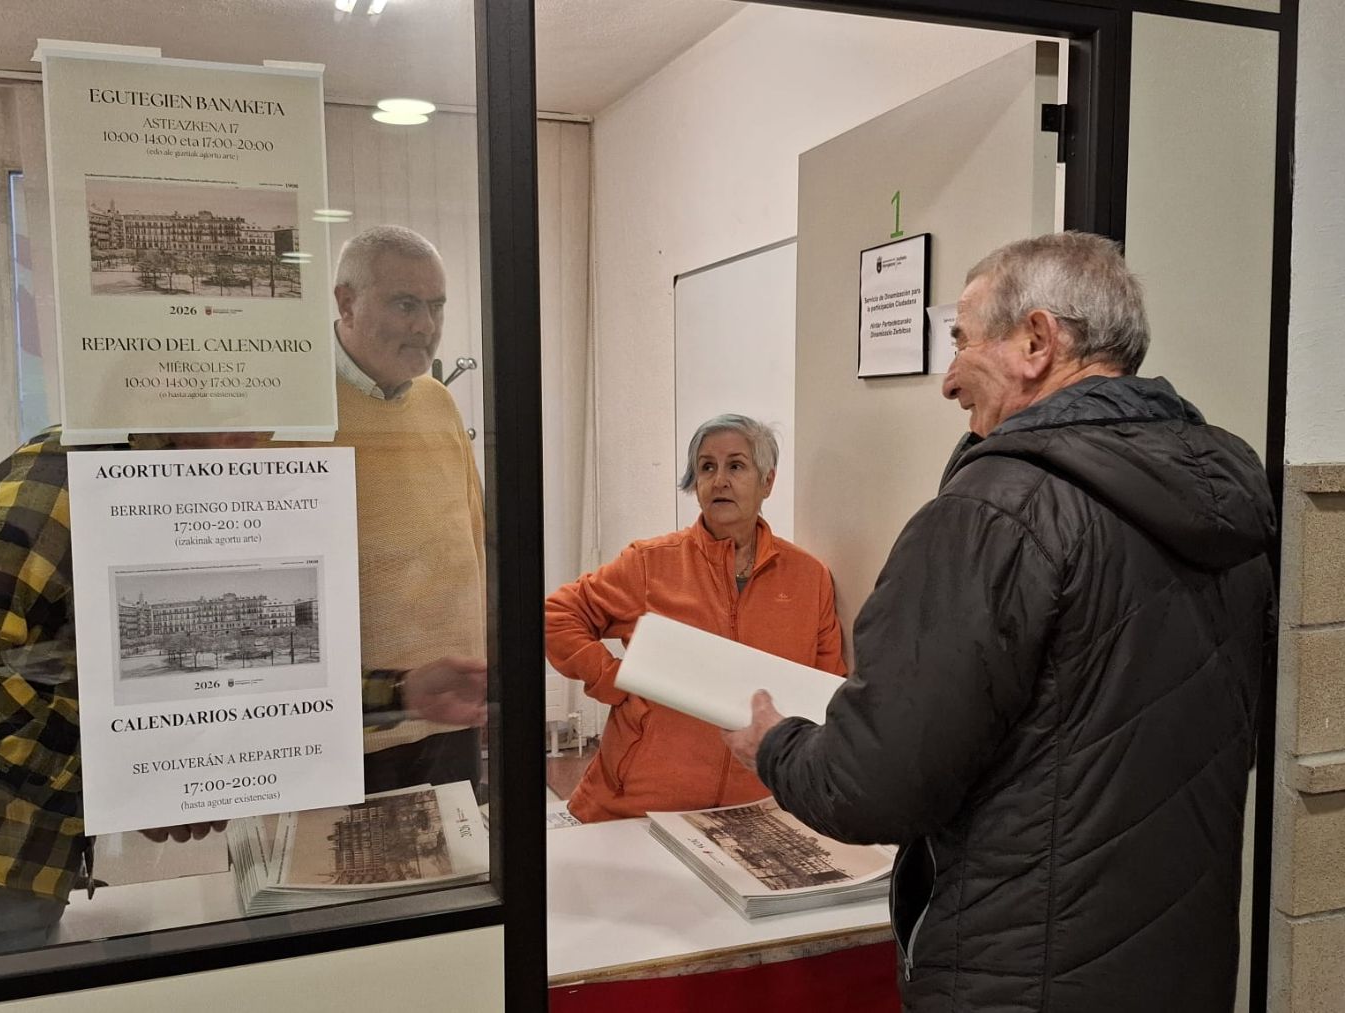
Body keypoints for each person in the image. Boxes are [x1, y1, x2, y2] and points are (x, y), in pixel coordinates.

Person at [725, 232, 1275, 1011]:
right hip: (1183, 973)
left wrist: (775, 745)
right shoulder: (1228, 509)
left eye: (960, 340)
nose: (949, 379)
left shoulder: (997, 512)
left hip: (1020, 980)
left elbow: (871, 785)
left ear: (1037, 341)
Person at [0, 427, 488, 966]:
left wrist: (402, 691)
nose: (257, 440)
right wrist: (132, 786)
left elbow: (239, 670)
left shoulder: (177, 486)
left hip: (15, 854)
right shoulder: (65, 477)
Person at [546, 414, 844, 822]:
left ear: (767, 482)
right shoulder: (650, 563)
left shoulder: (809, 577)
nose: (719, 480)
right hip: (635, 805)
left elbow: (827, 691)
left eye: (736, 466)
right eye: (707, 467)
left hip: (755, 807)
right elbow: (557, 615)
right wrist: (614, 679)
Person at [293, 225, 490, 790]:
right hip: (346, 727)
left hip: (448, 715)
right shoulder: (292, 408)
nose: (425, 325)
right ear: (346, 303)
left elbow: (473, 542)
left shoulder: (438, 401)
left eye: (436, 306)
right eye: (406, 304)